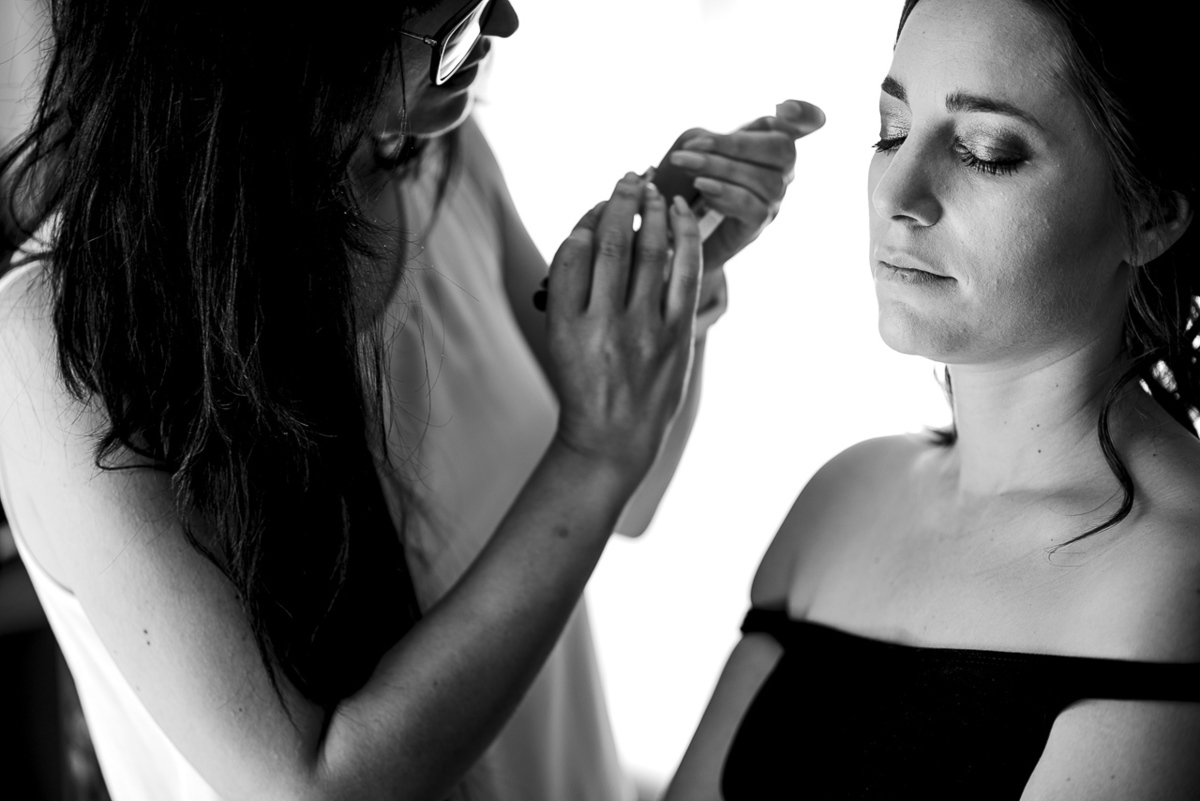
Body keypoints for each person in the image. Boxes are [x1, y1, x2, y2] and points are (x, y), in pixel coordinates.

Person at [0, 1, 823, 800]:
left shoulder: (440, 162)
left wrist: (674, 279)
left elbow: (626, 499)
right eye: (456, 18)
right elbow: (315, 784)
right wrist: (595, 451)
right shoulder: (58, 346)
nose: (505, 24)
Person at [663, 1, 1200, 799]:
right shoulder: (845, 497)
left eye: (986, 153)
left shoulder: (1178, 572)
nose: (898, 193)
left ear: (1152, 213)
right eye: (891, 132)